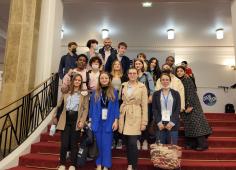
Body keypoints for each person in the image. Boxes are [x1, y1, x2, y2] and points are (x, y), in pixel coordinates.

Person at [54, 74, 89, 170]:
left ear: (81, 82)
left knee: (74, 143)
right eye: (76, 80)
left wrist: (82, 121)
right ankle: (62, 164)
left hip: (76, 119)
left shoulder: (84, 94)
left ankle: (73, 164)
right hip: (65, 119)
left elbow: (85, 109)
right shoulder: (66, 92)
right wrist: (55, 117)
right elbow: (59, 105)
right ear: (72, 81)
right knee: (64, 143)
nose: (77, 82)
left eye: (79, 80)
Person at [176, 66, 212, 151]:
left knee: (197, 125)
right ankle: (192, 144)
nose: (179, 72)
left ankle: (203, 144)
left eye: (181, 71)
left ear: (184, 72)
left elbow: (191, 93)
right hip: (184, 106)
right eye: (178, 71)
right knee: (189, 126)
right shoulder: (179, 81)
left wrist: (189, 105)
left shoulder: (187, 79)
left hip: (192, 106)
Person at [89, 72, 120, 170]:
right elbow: (91, 107)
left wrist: (116, 120)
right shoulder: (95, 92)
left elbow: (116, 107)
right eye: (102, 78)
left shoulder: (114, 91)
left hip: (109, 121)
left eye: (106, 78)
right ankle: (98, 164)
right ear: (99, 80)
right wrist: (90, 120)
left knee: (106, 144)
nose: (104, 79)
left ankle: (106, 165)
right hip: (97, 120)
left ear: (109, 79)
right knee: (98, 144)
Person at [119, 68, 148, 170]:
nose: (132, 75)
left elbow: (144, 105)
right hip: (125, 115)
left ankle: (133, 166)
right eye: (130, 73)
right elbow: (120, 100)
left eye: (134, 73)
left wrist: (144, 122)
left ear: (137, 75)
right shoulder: (123, 85)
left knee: (132, 142)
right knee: (127, 143)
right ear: (127, 74)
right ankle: (130, 163)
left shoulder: (142, 87)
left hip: (136, 115)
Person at [152, 73, 181, 145]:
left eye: (167, 80)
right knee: (160, 150)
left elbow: (177, 109)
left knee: (172, 149)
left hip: (172, 125)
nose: (165, 82)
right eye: (163, 80)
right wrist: (159, 122)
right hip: (160, 124)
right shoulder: (156, 94)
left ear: (170, 81)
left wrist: (171, 123)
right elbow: (154, 109)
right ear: (160, 81)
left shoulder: (176, 93)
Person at [134, 58, 155, 150]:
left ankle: (145, 141)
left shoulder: (147, 75)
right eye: (136, 64)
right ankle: (138, 140)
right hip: (135, 103)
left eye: (139, 64)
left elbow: (152, 88)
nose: (137, 65)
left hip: (146, 102)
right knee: (137, 121)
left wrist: (151, 96)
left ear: (142, 65)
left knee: (146, 121)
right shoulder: (132, 74)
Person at [110, 60, 128, 149]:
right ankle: (113, 140)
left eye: (118, 64)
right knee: (112, 119)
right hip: (110, 100)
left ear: (121, 66)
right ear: (113, 66)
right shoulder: (109, 76)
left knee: (121, 119)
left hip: (121, 101)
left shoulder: (124, 77)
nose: (117, 65)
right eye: (115, 64)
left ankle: (120, 140)